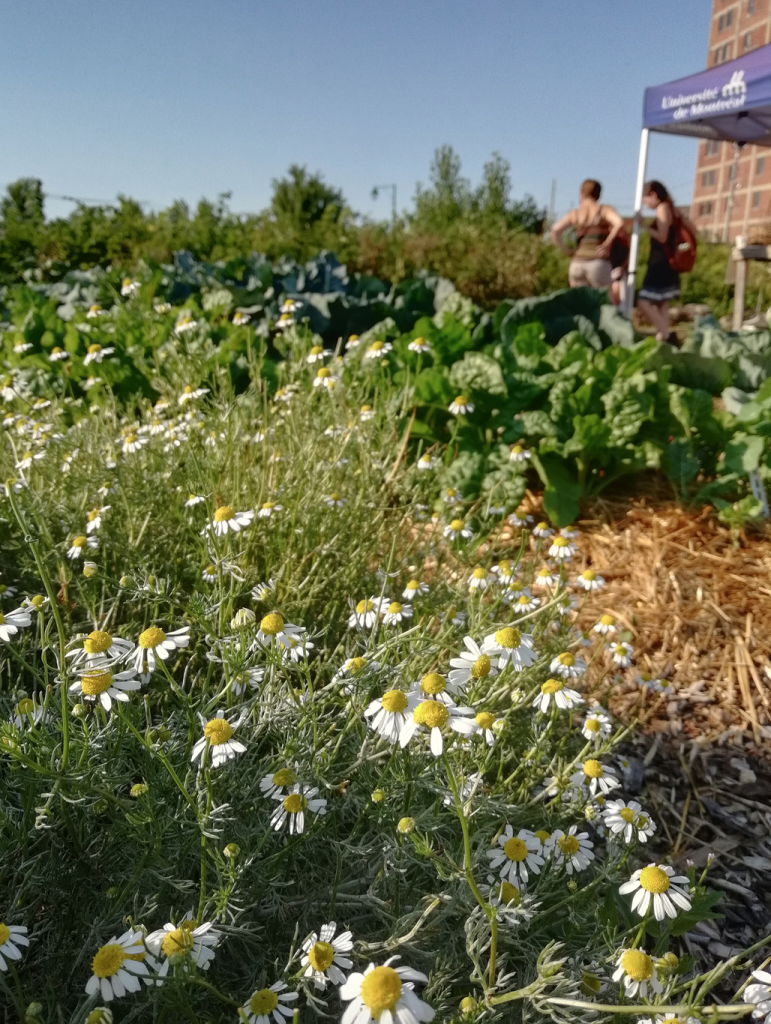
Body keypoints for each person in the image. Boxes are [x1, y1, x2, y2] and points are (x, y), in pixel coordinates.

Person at [636, 180, 695, 344]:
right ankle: (662, 338)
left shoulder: (662, 209)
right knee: (662, 304)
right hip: (668, 263)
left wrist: (645, 226)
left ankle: (667, 335)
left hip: (660, 262)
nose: (645, 203)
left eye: (646, 199)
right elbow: (693, 229)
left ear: (654, 195)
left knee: (644, 301)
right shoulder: (674, 210)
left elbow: (662, 236)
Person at [550, 180, 626, 299]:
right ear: (598, 195)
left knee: (580, 305)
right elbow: (619, 223)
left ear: (582, 193)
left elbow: (554, 232)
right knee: (604, 304)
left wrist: (567, 251)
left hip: (576, 264)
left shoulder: (574, 213)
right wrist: (607, 243)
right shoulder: (604, 210)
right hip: (598, 263)